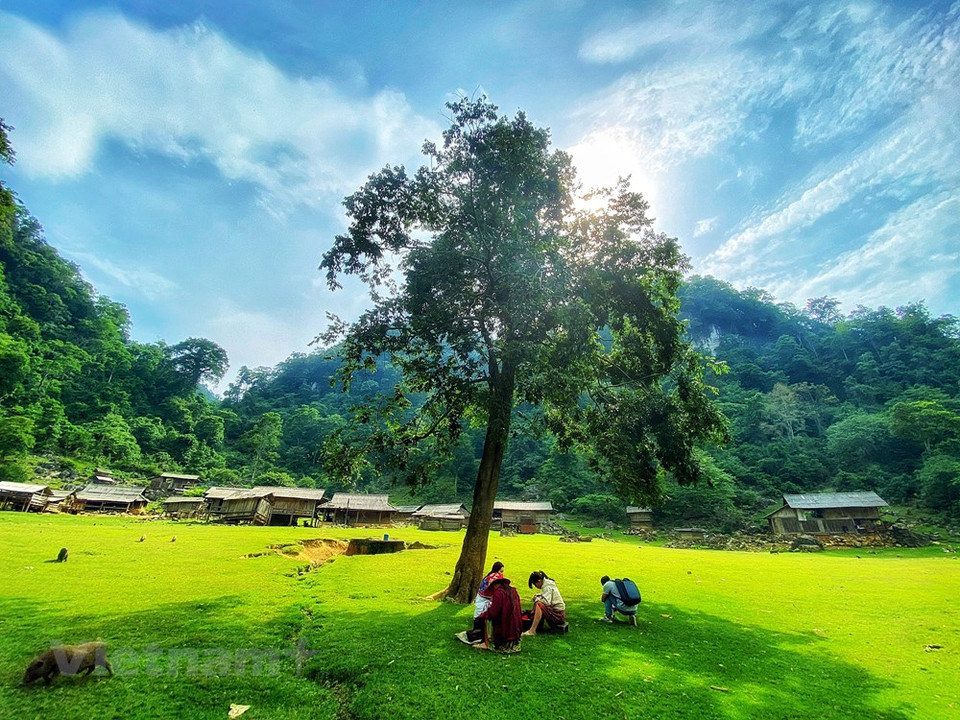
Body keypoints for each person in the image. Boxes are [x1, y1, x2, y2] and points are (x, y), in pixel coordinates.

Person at [456, 561, 504, 645]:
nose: (502, 573)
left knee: (480, 616)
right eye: (501, 571)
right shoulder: (495, 578)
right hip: (484, 600)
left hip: (481, 599)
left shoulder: (489, 576)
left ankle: (479, 632)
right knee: (483, 616)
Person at [474, 576, 523, 653]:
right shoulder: (513, 591)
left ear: (495, 585)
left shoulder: (499, 593)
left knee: (487, 620)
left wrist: (483, 615)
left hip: (505, 632)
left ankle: (488, 643)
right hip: (516, 631)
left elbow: (494, 613)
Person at [522, 570, 565, 636]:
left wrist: (537, 598)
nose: (535, 586)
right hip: (558, 614)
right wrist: (538, 596)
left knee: (539, 604)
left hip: (558, 616)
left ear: (539, 581)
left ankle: (532, 630)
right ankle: (536, 626)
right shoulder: (548, 585)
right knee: (538, 603)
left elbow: (546, 602)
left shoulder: (547, 587)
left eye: (535, 584)